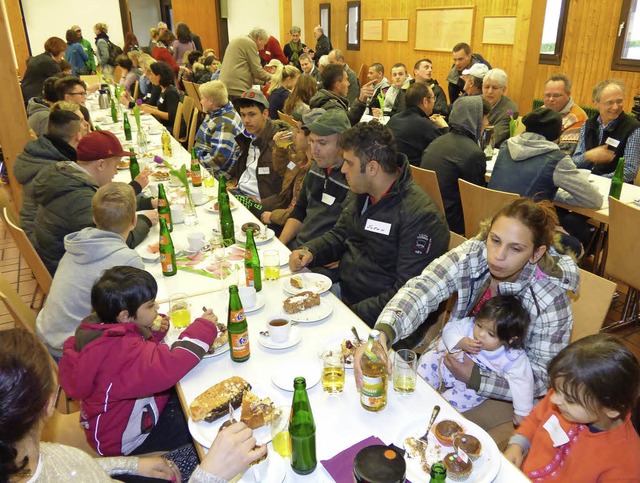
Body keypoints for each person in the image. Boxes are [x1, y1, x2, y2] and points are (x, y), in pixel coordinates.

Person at [355, 198, 580, 433]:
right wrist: (382, 334)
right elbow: (424, 289)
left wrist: (477, 378)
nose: (498, 256)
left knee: (434, 431)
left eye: (515, 248)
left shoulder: (550, 299)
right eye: (495, 240)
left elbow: (542, 378)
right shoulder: (474, 252)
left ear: (536, 253)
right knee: (401, 403)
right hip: (454, 358)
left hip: (505, 390)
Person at [0, 328, 267, 482]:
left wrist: (132, 466)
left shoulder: (24, 452)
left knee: (201, 448)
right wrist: (209, 475)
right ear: (48, 404)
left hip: (122, 472)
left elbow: (78, 469)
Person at [289, 121, 449, 325]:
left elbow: (407, 295)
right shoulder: (364, 192)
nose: (344, 169)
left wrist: (347, 314)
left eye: (349, 162)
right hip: (347, 295)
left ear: (372, 168)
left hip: (383, 320)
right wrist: (310, 251)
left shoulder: (421, 217)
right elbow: (340, 234)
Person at [59, 266, 218, 457]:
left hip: (122, 418)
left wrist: (151, 333)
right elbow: (166, 366)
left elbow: (136, 360)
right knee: (203, 425)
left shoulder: (101, 329)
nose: (157, 307)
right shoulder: (117, 353)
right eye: (150, 305)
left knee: (193, 390)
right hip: (128, 438)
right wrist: (203, 329)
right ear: (125, 316)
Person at [504, 334, 640, 481]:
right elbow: (535, 419)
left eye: (570, 400)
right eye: (555, 390)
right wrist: (518, 444)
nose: (553, 399)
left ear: (611, 409)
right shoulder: (562, 397)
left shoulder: (626, 459)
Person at [36, 182, 144, 359]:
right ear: (134, 220)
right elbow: (135, 316)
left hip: (48, 333)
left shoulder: (78, 242)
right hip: (73, 348)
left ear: (94, 218)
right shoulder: (128, 259)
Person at [30, 130, 157, 275]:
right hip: (69, 271)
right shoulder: (81, 199)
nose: (115, 173)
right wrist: (145, 220)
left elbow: (109, 206)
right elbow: (117, 241)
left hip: (58, 258)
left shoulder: (68, 176)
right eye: (115, 166)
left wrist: (147, 203)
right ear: (101, 165)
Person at [418, 295, 534, 424]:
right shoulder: (468, 325)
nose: (481, 334)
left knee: (466, 397)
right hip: (448, 363)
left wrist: (522, 412)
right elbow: (449, 329)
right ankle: (419, 391)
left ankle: (435, 409)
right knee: (429, 359)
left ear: (510, 339)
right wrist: (460, 342)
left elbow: (524, 383)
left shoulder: (512, 356)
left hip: (471, 385)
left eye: (491, 334)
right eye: (479, 325)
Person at [488, 107, 603, 211]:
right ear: (557, 135)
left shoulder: (506, 146)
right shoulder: (556, 160)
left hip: (490, 221)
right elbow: (595, 200)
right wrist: (555, 195)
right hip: (523, 229)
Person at [278, 108, 351, 250]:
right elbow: (299, 210)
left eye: (322, 143)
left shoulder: (352, 181)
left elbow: (346, 236)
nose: (314, 149)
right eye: (311, 141)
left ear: (343, 145)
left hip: (321, 258)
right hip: (299, 248)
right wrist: (281, 244)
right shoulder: (314, 168)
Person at [421, 96, 489, 235]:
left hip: (427, 213)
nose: (487, 123)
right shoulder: (473, 153)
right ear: (475, 119)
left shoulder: (437, 142)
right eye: (485, 118)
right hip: (454, 223)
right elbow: (476, 200)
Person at [14, 109, 84, 239]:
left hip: (35, 230)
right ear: (78, 136)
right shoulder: (56, 170)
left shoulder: (37, 154)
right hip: (47, 243)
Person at [572, 79, 640, 183]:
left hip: (613, 187)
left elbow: (629, 171)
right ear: (596, 103)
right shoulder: (588, 124)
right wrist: (588, 156)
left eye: (619, 101)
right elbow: (574, 163)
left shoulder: (633, 128)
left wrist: (596, 180)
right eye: (610, 102)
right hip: (585, 184)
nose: (615, 107)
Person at [260, 110, 316, 230]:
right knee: (244, 201)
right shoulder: (301, 157)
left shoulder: (314, 168)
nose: (293, 133)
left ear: (310, 138)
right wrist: (281, 148)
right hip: (284, 205)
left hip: (291, 219)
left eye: (297, 130)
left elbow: (300, 212)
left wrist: (273, 216)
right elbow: (284, 172)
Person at [231, 89, 285, 204]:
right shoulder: (246, 139)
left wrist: (262, 204)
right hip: (241, 194)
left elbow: (288, 190)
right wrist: (237, 187)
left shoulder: (279, 143)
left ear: (265, 114)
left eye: (252, 114)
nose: (246, 121)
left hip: (261, 206)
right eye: (243, 115)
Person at [386, 81, 448, 167]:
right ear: (425, 101)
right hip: (412, 176)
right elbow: (447, 149)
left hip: (389, 171)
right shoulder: (425, 125)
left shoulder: (394, 119)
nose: (434, 102)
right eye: (433, 98)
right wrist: (445, 127)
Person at [194, 80, 244, 179]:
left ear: (211, 101)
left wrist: (194, 164)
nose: (200, 101)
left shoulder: (225, 123)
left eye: (202, 98)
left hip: (217, 174)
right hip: (203, 161)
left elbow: (217, 160)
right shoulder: (217, 112)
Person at [220, 28, 273, 99]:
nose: (263, 48)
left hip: (226, 86)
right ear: (259, 39)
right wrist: (275, 78)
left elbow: (250, 73)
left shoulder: (239, 40)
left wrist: (264, 82)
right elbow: (257, 71)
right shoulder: (249, 43)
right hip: (237, 89)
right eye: (264, 44)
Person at [543, 74, 588, 155]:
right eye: (547, 95)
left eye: (556, 95)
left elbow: (563, 154)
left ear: (568, 94)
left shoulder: (577, 117)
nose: (551, 99)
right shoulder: (542, 110)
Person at [140, 61, 184, 134]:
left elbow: (171, 116)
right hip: (164, 124)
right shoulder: (163, 89)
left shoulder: (171, 92)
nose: (150, 77)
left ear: (159, 76)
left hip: (172, 127)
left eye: (152, 74)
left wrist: (152, 110)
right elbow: (162, 108)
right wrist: (147, 107)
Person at [20, 37, 65, 103]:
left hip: (26, 96)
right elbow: (60, 82)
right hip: (37, 97)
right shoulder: (50, 62)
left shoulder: (37, 58)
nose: (64, 54)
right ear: (58, 50)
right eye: (63, 51)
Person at [483, 68, 519, 148]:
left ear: (504, 90)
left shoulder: (510, 110)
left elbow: (491, 139)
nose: (489, 91)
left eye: (494, 88)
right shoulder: (476, 102)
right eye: (486, 87)